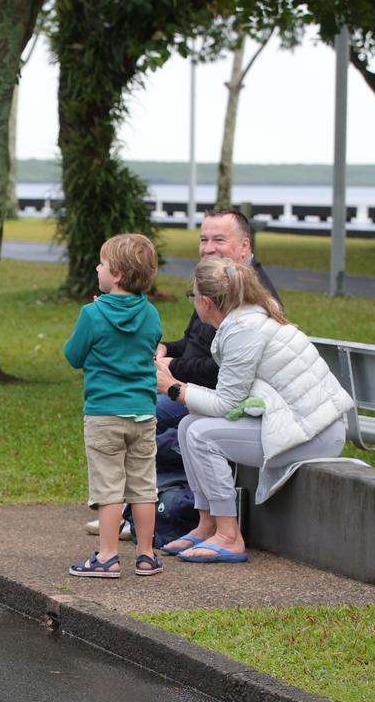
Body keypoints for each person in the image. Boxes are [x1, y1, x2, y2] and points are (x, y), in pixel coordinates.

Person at [86, 208, 280, 543]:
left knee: (141, 416)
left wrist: (171, 372)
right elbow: (194, 345)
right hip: (197, 386)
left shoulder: (251, 294)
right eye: (204, 239)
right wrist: (164, 349)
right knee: (126, 410)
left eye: (219, 239)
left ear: (245, 247)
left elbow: (222, 371)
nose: (208, 248)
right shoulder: (218, 278)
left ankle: (137, 511)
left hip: (224, 397)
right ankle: (128, 510)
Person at [157, 255, 352, 562]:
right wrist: (180, 390)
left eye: (192, 296)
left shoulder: (242, 331)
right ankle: (206, 524)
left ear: (206, 302)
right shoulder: (243, 320)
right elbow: (230, 399)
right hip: (299, 422)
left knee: (201, 435)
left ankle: (229, 536)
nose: (193, 302)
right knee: (187, 426)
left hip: (316, 432)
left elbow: (226, 404)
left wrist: (172, 387)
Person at [63, 234, 164, 578]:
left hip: (104, 414)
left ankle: (107, 556)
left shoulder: (92, 313)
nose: (97, 267)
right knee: (143, 486)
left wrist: (96, 315)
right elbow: (148, 345)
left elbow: (73, 356)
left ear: (117, 275)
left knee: (108, 488)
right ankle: (147, 555)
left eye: (102, 263)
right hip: (144, 413)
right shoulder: (151, 313)